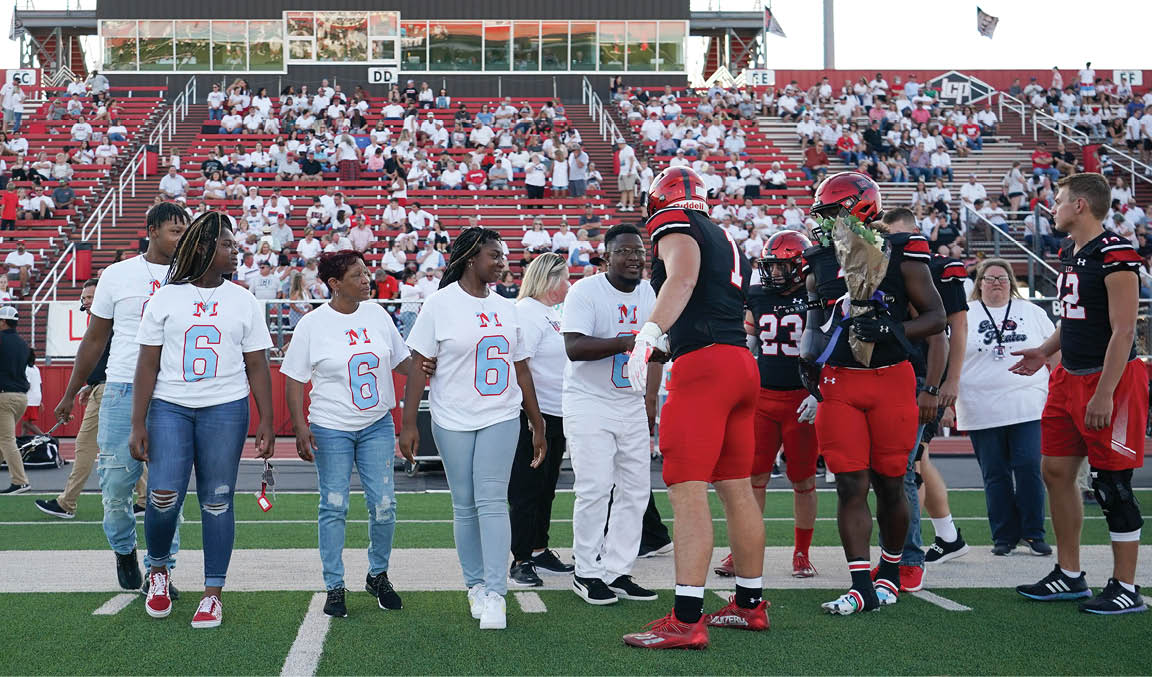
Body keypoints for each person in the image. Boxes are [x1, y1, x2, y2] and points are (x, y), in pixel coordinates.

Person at [622, 167, 767, 650]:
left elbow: (683, 278)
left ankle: (686, 619)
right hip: (739, 363)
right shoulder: (723, 235)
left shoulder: (675, 222)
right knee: (737, 489)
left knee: (687, 492)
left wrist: (649, 332)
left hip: (705, 368)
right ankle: (749, 604)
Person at [800, 172, 946, 615]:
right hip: (840, 382)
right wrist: (807, 356)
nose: (823, 222)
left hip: (891, 379)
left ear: (858, 209)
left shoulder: (901, 250)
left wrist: (891, 330)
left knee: (891, 483)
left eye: (831, 212)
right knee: (850, 484)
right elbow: (815, 322)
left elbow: (936, 318)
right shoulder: (820, 259)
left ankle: (891, 571)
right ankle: (861, 584)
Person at [130, 211, 275, 628]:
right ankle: (159, 570)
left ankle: (213, 594)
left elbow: (258, 364)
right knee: (162, 494)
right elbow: (147, 364)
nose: (235, 250)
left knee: (217, 499)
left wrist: (267, 420)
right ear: (203, 248)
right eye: (227, 244)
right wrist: (138, 422)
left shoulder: (243, 299)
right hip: (170, 406)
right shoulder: (166, 297)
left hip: (225, 406)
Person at [399, 227, 548, 631]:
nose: (502, 263)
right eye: (494, 256)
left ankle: (496, 593)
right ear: (471, 259)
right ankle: (476, 586)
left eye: (503, 256)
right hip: (452, 416)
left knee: (493, 500)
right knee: (464, 504)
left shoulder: (507, 306)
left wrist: (536, 421)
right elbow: (419, 364)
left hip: (500, 413)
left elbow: (521, 368)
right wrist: (408, 423)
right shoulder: (439, 304)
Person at [1012, 173, 1148, 614]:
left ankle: (1126, 586)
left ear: (1080, 205)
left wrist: (1105, 392)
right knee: (1055, 470)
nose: (1053, 207)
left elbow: (1124, 330)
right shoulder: (1069, 252)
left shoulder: (1115, 253)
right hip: (1068, 376)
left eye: (1059, 200)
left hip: (1110, 380)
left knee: (1111, 483)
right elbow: (1072, 318)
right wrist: (1044, 350)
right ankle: (1069, 573)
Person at [53, 203, 189, 593]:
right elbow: (95, 339)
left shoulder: (194, 274)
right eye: (175, 231)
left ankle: (160, 568)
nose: (181, 239)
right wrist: (69, 392)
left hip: (174, 392)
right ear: (151, 230)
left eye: (185, 231)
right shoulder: (116, 275)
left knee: (167, 490)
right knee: (115, 488)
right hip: (122, 388)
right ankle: (124, 549)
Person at [283, 250, 420, 618]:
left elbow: (402, 361)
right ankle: (334, 584)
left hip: (376, 423)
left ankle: (378, 574)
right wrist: (299, 427)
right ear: (334, 284)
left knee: (385, 505)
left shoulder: (378, 315)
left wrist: (429, 363)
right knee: (334, 505)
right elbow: (294, 379)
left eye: (366, 272)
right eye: (357, 275)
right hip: (331, 426)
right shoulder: (312, 324)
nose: (366, 280)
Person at [562, 225, 660, 605]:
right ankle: (586, 571)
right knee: (595, 487)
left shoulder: (649, 292)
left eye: (639, 251)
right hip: (589, 400)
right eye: (625, 251)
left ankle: (617, 569)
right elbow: (574, 347)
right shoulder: (585, 291)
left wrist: (650, 399)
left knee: (636, 490)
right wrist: (628, 342)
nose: (635, 258)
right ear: (607, 257)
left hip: (630, 401)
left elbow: (655, 354)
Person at [715, 231, 821, 580]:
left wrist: (818, 391)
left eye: (781, 266)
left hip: (800, 399)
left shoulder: (816, 295)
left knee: (803, 480)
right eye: (771, 266)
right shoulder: (758, 295)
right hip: (762, 398)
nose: (774, 273)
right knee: (753, 478)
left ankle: (802, 553)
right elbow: (748, 343)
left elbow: (825, 345)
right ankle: (742, 550)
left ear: (799, 265)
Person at [881, 207, 969, 589]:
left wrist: (950, 382)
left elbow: (954, 328)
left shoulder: (938, 267)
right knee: (911, 463)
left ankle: (908, 556)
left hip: (922, 376)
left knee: (909, 466)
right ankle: (942, 537)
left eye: (896, 235)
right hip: (894, 373)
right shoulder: (880, 262)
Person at [956, 259, 1054, 557]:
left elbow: (1055, 351)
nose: (996, 283)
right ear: (979, 283)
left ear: (1011, 282)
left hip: (1028, 402)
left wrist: (1059, 388)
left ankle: (1033, 533)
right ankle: (1004, 536)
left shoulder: (1033, 312)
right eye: (989, 278)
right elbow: (949, 356)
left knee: (1028, 466)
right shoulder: (963, 314)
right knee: (995, 473)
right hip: (980, 406)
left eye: (1002, 278)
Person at [36, 279, 148, 518]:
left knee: (85, 446)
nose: (87, 301)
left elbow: (104, 357)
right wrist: (91, 384)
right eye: (84, 297)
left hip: (110, 390)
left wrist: (87, 387)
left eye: (91, 297)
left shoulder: (107, 324)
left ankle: (67, 502)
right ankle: (146, 498)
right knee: (126, 446)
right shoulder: (116, 323)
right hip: (112, 387)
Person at [506, 254, 574, 587]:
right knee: (526, 489)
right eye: (565, 278)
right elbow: (521, 367)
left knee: (546, 488)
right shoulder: (527, 313)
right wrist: (535, 420)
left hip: (556, 412)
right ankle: (520, 558)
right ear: (549, 280)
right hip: (535, 414)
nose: (569, 284)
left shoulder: (550, 313)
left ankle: (539, 549)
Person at [0, 305, 30, 494]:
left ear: (3, 321)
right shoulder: (23, 343)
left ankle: (20, 482)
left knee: (6, 439)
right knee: (3, 439)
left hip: (4, 395)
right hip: (21, 397)